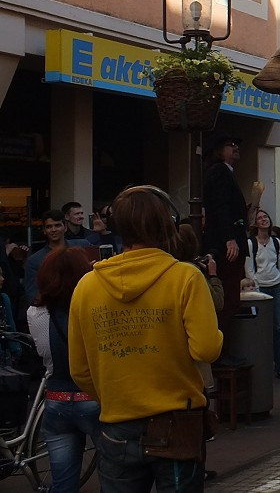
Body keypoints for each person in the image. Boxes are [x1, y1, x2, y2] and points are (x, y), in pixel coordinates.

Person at [69, 185, 222, 491]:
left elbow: (80, 371)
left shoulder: (87, 285)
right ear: (167, 223)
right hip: (176, 420)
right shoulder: (185, 277)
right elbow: (206, 348)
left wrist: (116, 394)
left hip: (117, 422)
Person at [27, 248, 100, 492]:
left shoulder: (35, 313)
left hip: (56, 402)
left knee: (63, 483)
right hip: (95, 400)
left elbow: (44, 355)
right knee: (115, 476)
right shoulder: (95, 310)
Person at [202, 135, 249, 364]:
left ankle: (224, 349)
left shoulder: (225, 172)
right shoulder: (219, 171)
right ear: (220, 150)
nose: (236, 147)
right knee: (227, 299)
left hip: (229, 241)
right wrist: (229, 238)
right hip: (225, 245)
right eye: (231, 145)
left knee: (231, 298)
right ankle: (221, 352)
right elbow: (220, 207)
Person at [245, 209, 280, 379]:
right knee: (261, 329)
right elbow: (249, 269)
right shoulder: (251, 243)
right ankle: (261, 364)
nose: (264, 220)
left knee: (279, 328)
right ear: (255, 224)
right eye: (260, 218)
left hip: (276, 286)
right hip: (260, 288)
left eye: (266, 217)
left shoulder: (277, 242)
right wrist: (256, 289)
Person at [24, 210, 88, 305]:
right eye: (49, 227)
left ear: (65, 227)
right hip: (53, 310)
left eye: (57, 225)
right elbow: (32, 295)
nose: (53, 230)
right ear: (44, 231)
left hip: (84, 303)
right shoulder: (34, 260)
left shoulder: (82, 246)